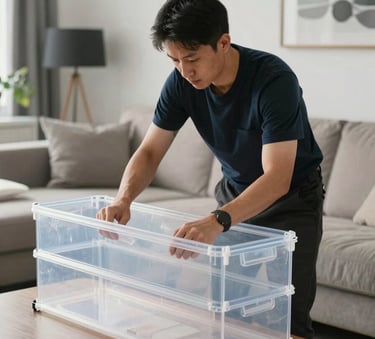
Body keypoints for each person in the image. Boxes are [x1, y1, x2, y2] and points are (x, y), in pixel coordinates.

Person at [96, 0, 324, 338]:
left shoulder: (274, 80)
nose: (185, 71)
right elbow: (149, 151)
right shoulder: (181, 83)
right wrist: (123, 198)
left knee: (288, 317)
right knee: (223, 307)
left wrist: (217, 219)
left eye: (192, 59)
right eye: (174, 60)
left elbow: (277, 177)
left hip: (292, 200)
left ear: (223, 43)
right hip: (234, 192)